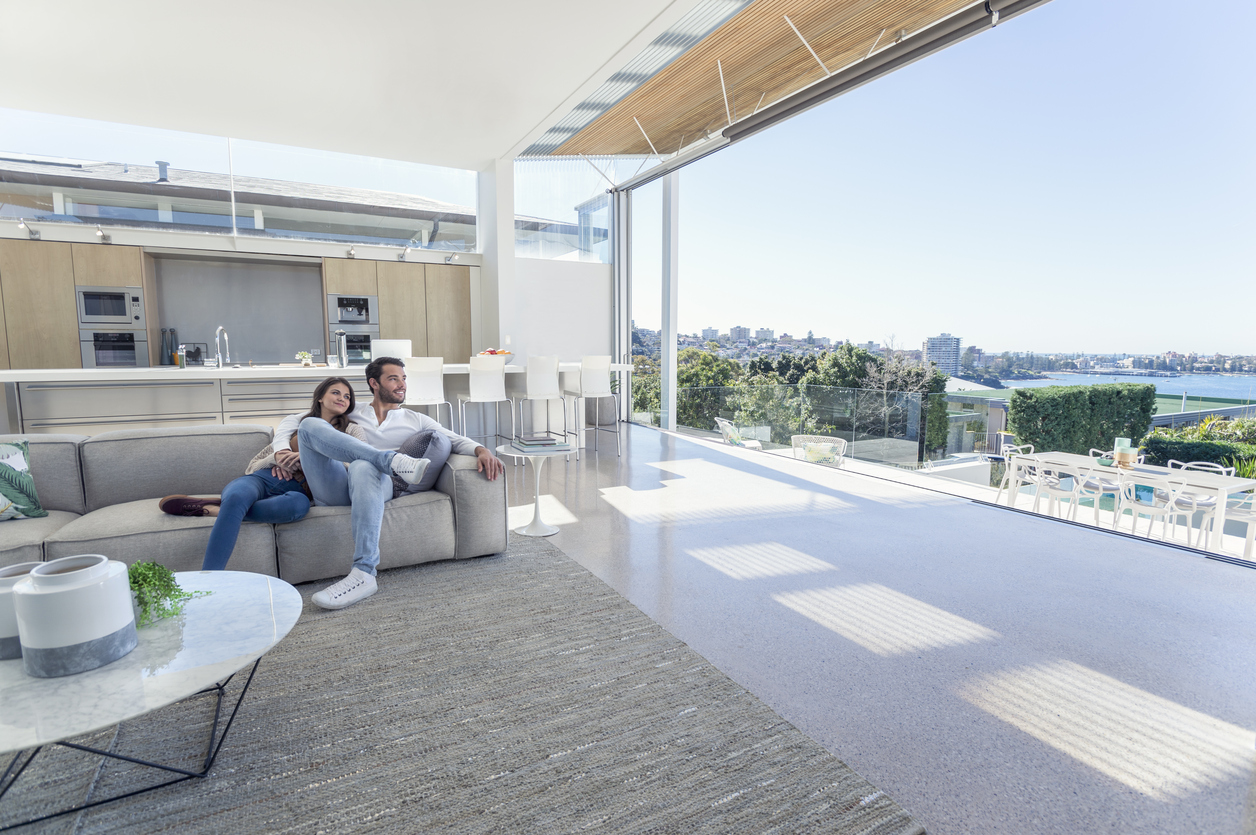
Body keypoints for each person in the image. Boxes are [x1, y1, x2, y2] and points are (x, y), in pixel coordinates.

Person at [297, 356, 504, 610]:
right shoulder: (353, 410)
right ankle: (391, 460)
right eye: (393, 378)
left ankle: (363, 573)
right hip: (335, 485)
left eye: (404, 379)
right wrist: (280, 447)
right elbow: (301, 422)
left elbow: (455, 439)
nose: (402, 384)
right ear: (374, 383)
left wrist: (482, 450)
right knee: (308, 424)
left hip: (375, 485)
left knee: (364, 465)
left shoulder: (415, 419)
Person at [158, 377, 364, 571]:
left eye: (347, 397)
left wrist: (309, 458)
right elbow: (252, 467)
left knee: (297, 508)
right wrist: (278, 460)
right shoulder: (296, 425)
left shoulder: (352, 430)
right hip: (262, 480)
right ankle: (209, 579)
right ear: (320, 397)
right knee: (238, 495)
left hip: (297, 493)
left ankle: (218, 509)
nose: (342, 399)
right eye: (336, 393)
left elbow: (358, 462)